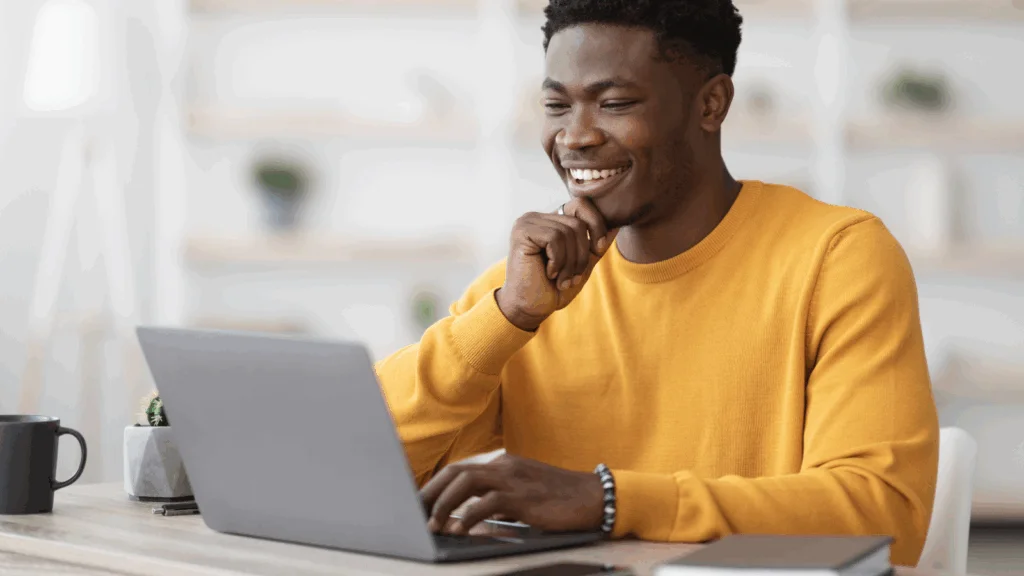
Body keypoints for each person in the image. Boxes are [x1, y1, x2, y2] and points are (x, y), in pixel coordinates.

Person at [374, 0, 939, 567]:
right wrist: (507, 317)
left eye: (615, 103)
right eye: (556, 105)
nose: (575, 138)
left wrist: (609, 500)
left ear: (711, 104)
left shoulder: (838, 256)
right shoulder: (527, 290)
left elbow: (882, 512)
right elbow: (357, 466)